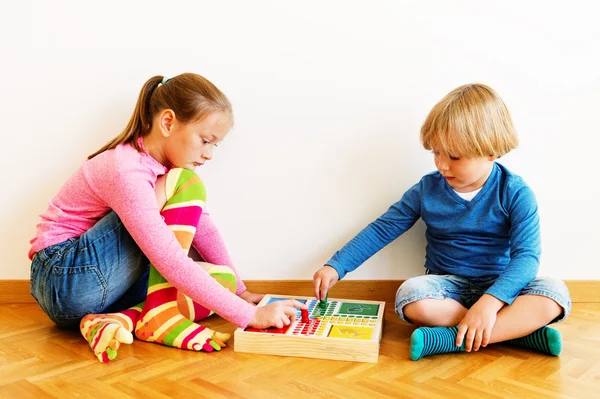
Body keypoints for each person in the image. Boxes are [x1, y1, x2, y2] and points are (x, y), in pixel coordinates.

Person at [29, 73, 306, 363]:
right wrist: (251, 315)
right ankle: (160, 320)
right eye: (205, 140)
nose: (209, 155)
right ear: (168, 122)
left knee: (219, 280)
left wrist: (240, 292)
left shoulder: (164, 172)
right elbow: (169, 259)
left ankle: (117, 320)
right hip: (65, 277)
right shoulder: (126, 168)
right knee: (186, 186)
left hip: (92, 294)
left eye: (216, 145)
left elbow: (203, 229)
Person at [312, 83, 571, 360]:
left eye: (455, 157)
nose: (442, 165)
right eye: (436, 152)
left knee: (554, 293)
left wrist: (490, 303)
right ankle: (519, 333)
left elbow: (527, 258)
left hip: (502, 288)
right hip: (447, 288)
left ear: (492, 152)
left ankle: (450, 340)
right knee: (410, 296)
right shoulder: (427, 190)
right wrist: (336, 265)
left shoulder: (515, 192)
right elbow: (383, 228)